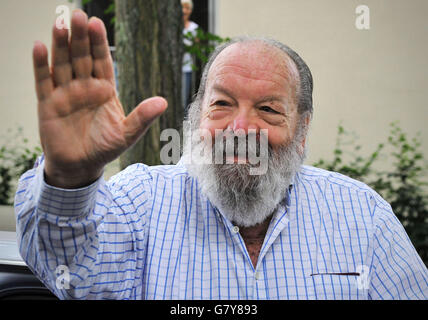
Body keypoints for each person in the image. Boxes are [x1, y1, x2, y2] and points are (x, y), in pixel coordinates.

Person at [15, 9, 427, 300]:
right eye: (222, 104)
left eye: (268, 109)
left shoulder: (362, 215)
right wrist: (70, 177)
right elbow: (72, 273)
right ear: (196, 118)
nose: (241, 129)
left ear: (302, 132)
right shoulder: (140, 203)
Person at [181, 0, 198, 111]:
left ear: (190, 11)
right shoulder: (172, 27)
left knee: (184, 96)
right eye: (182, 7)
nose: (184, 11)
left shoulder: (193, 27)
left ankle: (183, 122)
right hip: (172, 68)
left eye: (187, 8)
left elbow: (196, 46)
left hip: (186, 67)